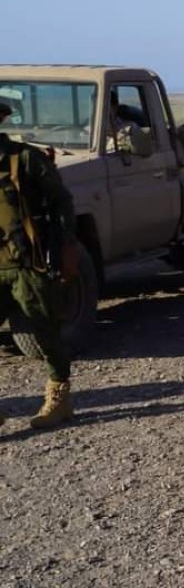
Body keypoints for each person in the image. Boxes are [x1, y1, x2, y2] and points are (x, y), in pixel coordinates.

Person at [0, 102, 80, 429]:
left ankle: (59, 399)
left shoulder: (25, 159)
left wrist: (65, 244)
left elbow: (62, 200)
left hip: (25, 265)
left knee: (45, 332)